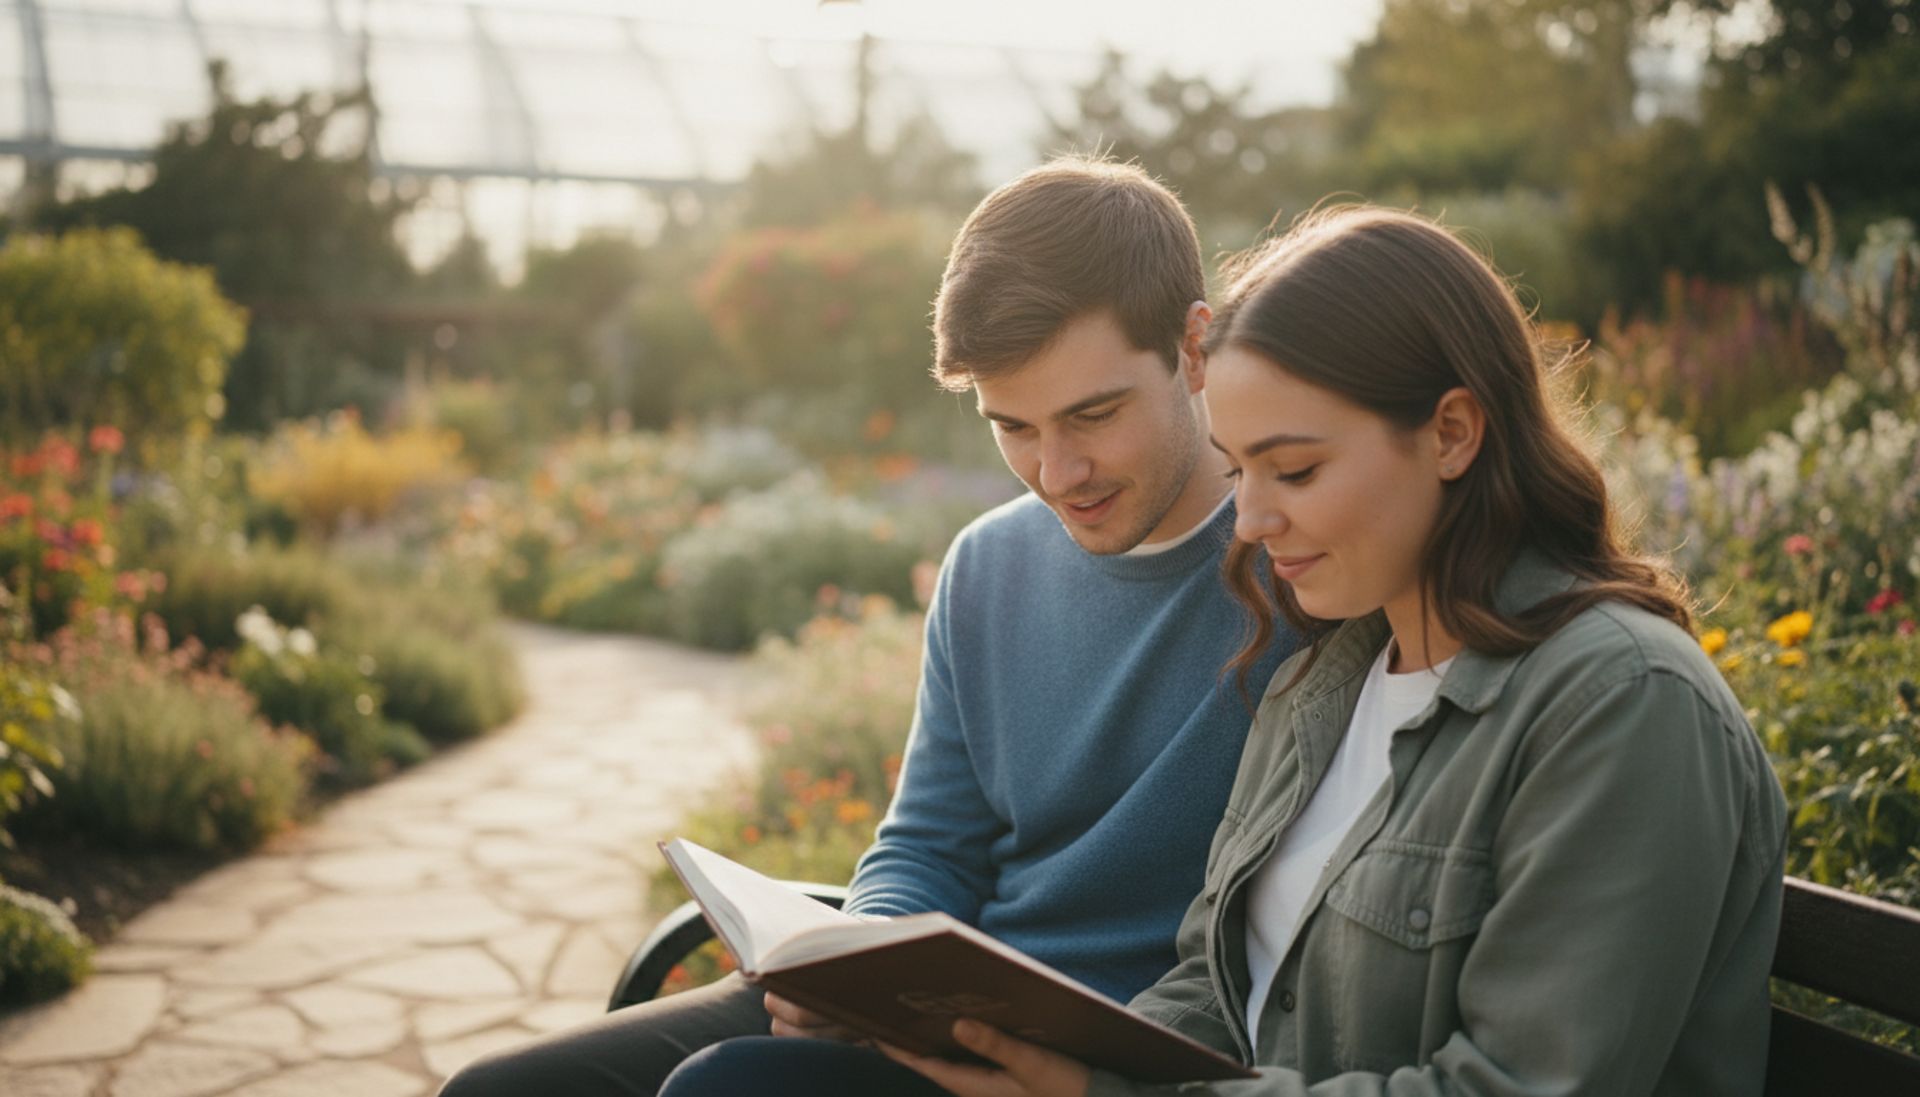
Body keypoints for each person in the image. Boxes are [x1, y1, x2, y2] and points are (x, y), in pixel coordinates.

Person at [658, 205, 1789, 1097]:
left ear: (1452, 432)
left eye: (1292, 470)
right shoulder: (1330, 675)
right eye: (1241, 470)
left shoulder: (1621, 703)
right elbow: (1210, 980)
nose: (1245, 521)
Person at [438, 158, 1299, 1096]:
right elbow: (927, 841)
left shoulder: (1302, 565)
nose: (1058, 474)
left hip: (1095, 1059)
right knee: (494, 1091)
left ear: (1194, 346)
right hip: (934, 1010)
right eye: (1013, 426)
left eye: (1093, 415)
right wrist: (860, 955)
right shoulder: (988, 565)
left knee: (723, 1088)